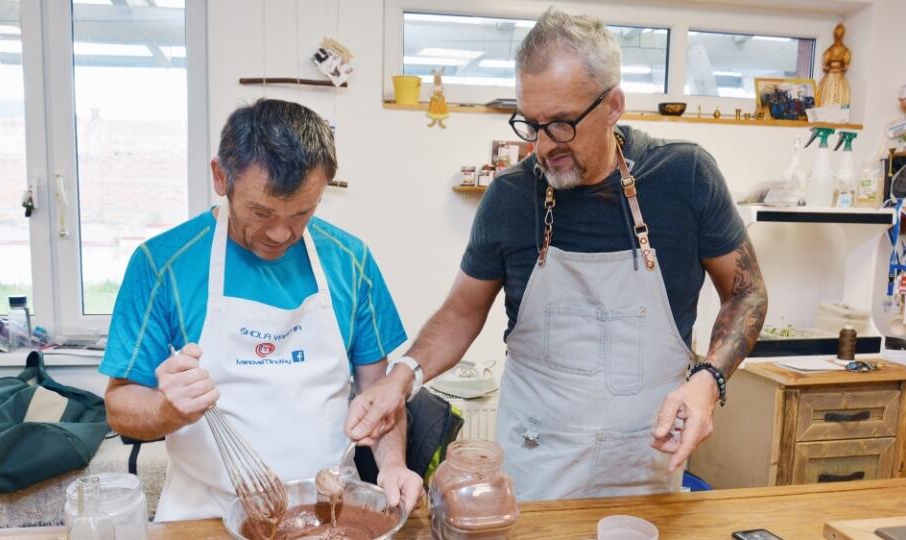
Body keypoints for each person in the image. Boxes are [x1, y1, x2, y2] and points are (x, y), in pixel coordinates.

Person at [346, 8, 768, 501]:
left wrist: (708, 379)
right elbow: (462, 312)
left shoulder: (685, 178)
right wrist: (404, 376)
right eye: (532, 123)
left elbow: (747, 293)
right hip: (534, 467)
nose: (545, 147)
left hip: (647, 462)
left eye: (562, 124)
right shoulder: (509, 196)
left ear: (613, 105)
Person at [99, 99, 422, 521]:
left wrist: (393, 465)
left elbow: (377, 396)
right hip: (204, 513)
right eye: (260, 211)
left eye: (302, 213)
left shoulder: (350, 259)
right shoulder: (163, 265)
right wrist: (165, 410)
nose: (280, 232)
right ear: (220, 177)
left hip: (328, 509)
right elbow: (119, 406)